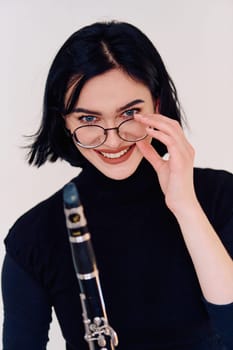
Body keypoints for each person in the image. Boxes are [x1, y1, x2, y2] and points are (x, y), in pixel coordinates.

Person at [1, 20, 233, 350]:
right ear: (64, 121)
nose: (111, 139)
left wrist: (186, 207)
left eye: (129, 113)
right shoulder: (32, 238)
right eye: (88, 119)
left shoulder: (219, 196)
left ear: (157, 105)